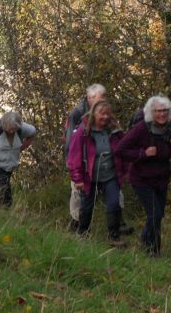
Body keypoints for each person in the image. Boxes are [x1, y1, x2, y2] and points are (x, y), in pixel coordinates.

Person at [115, 95, 171, 256]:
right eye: (158, 111)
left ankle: (146, 237)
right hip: (142, 179)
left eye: (165, 110)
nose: (162, 114)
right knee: (155, 214)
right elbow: (120, 149)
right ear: (152, 112)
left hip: (161, 178)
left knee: (158, 216)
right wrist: (143, 153)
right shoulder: (141, 128)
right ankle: (153, 251)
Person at [63, 84, 133, 235]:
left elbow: (121, 147)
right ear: (90, 99)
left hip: (108, 171)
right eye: (101, 98)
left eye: (105, 97)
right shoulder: (77, 115)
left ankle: (116, 228)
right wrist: (75, 172)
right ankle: (78, 226)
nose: (104, 101)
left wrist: (125, 169)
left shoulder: (111, 123)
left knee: (115, 197)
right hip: (84, 168)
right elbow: (71, 143)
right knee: (81, 200)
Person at [67, 100, 126, 246]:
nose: (105, 117)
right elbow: (74, 157)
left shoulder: (115, 131)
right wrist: (77, 178)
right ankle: (83, 234)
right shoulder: (83, 131)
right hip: (89, 177)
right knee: (86, 207)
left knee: (114, 204)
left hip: (110, 175)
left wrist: (126, 170)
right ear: (94, 114)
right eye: (102, 113)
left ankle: (114, 237)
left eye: (107, 114)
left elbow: (123, 150)